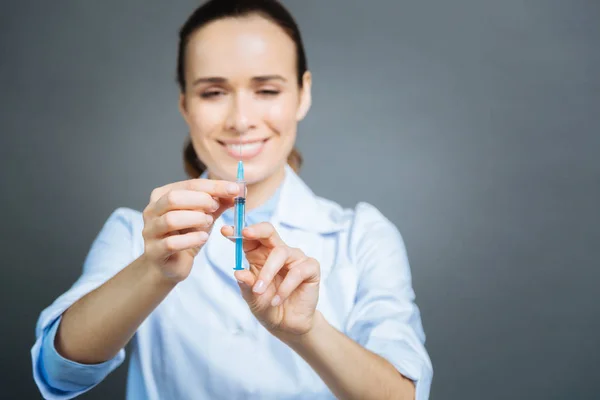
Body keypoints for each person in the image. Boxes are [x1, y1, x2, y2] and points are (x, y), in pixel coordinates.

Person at [30, 1, 433, 399]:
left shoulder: (362, 236)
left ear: (303, 94)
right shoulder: (135, 234)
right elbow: (58, 371)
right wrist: (153, 272)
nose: (241, 120)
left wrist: (308, 331)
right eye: (214, 92)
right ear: (186, 105)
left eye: (267, 89)